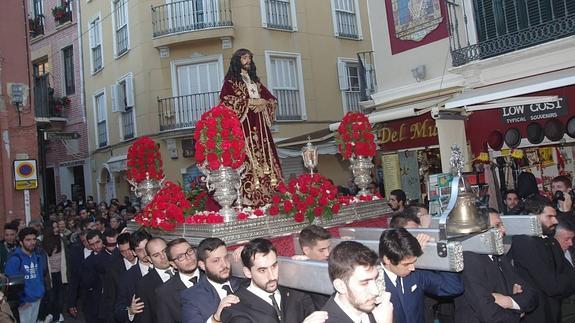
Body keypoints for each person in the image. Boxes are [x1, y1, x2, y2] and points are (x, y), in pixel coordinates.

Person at [219, 48, 282, 207]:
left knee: (266, 159)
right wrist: (250, 102)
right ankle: (249, 199)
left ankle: (272, 194)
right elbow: (226, 100)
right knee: (248, 160)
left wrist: (264, 103)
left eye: (250, 58)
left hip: (260, 127)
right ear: (237, 60)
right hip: (244, 126)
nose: (248, 61)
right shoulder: (231, 82)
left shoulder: (256, 82)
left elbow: (271, 99)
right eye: (244, 58)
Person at [454, 209, 538, 322]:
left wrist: (509, 301)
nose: (503, 230)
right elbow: (489, 314)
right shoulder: (468, 260)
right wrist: (519, 312)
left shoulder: (500, 257)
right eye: (497, 226)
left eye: (502, 225)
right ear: (480, 232)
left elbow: (531, 295)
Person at [509, 198, 575, 322]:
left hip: (553, 311)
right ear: (532, 217)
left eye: (554, 216)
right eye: (549, 216)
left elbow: (568, 272)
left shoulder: (551, 240)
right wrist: (565, 281)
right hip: (537, 315)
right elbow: (552, 286)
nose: (555, 221)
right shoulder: (523, 242)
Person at [220, 238, 315, 323]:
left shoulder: (295, 292)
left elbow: (322, 311)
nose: (271, 276)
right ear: (248, 272)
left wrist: (308, 271)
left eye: (274, 266)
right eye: (262, 270)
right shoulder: (236, 308)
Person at [379, 228, 463, 323]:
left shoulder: (415, 274)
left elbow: (453, 288)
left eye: (414, 262)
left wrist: (436, 251)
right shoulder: (373, 283)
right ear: (387, 260)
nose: (412, 268)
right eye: (406, 264)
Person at [322, 240, 393, 323]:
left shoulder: (382, 309)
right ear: (340, 286)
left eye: (375, 279)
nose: (376, 291)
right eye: (364, 283)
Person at [181, 238, 244, 323]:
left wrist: (248, 251)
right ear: (202, 265)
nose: (224, 264)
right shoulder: (192, 297)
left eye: (226, 258)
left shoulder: (244, 283)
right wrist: (216, 318)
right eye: (216, 261)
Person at [4, 227, 46, 323]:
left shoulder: (36, 256)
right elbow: (11, 285)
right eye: (28, 240)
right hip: (24, 302)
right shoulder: (15, 259)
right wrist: (22, 301)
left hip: (37, 298)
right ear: (21, 242)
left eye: (34, 239)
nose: (32, 242)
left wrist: (41, 292)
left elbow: (39, 276)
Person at [155, 238, 201, 323]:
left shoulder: (211, 276)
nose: (188, 257)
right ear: (173, 264)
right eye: (180, 256)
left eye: (189, 251)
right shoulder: (164, 293)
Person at [114, 230, 153, 323]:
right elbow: (118, 310)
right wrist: (130, 310)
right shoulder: (126, 277)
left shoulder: (167, 268)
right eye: (139, 250)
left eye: (146, 248)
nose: (145, 253)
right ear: (134, 252)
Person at [133, 238, 173, 323]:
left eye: (164, 251)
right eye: (156, 255)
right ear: (149, 259)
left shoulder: (183, 269)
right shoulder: (144, 285)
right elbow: (144, 319)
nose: (163, 257)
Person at [101, 232, 136, 323]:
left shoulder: (144, 262)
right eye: (123, 252)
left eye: (129, 249)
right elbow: (110, 299)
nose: (127, 254)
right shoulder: (113, 270)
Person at [42, 221, 69, 323]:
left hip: (61, 273)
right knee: (51, 297)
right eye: (54, 228)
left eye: (57, 227)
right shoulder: (42, 243)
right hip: (49, 275)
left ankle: (57, 316)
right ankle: (51, 314)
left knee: (60, 296)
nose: (56, 229)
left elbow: (66, 258)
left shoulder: (62, 240)